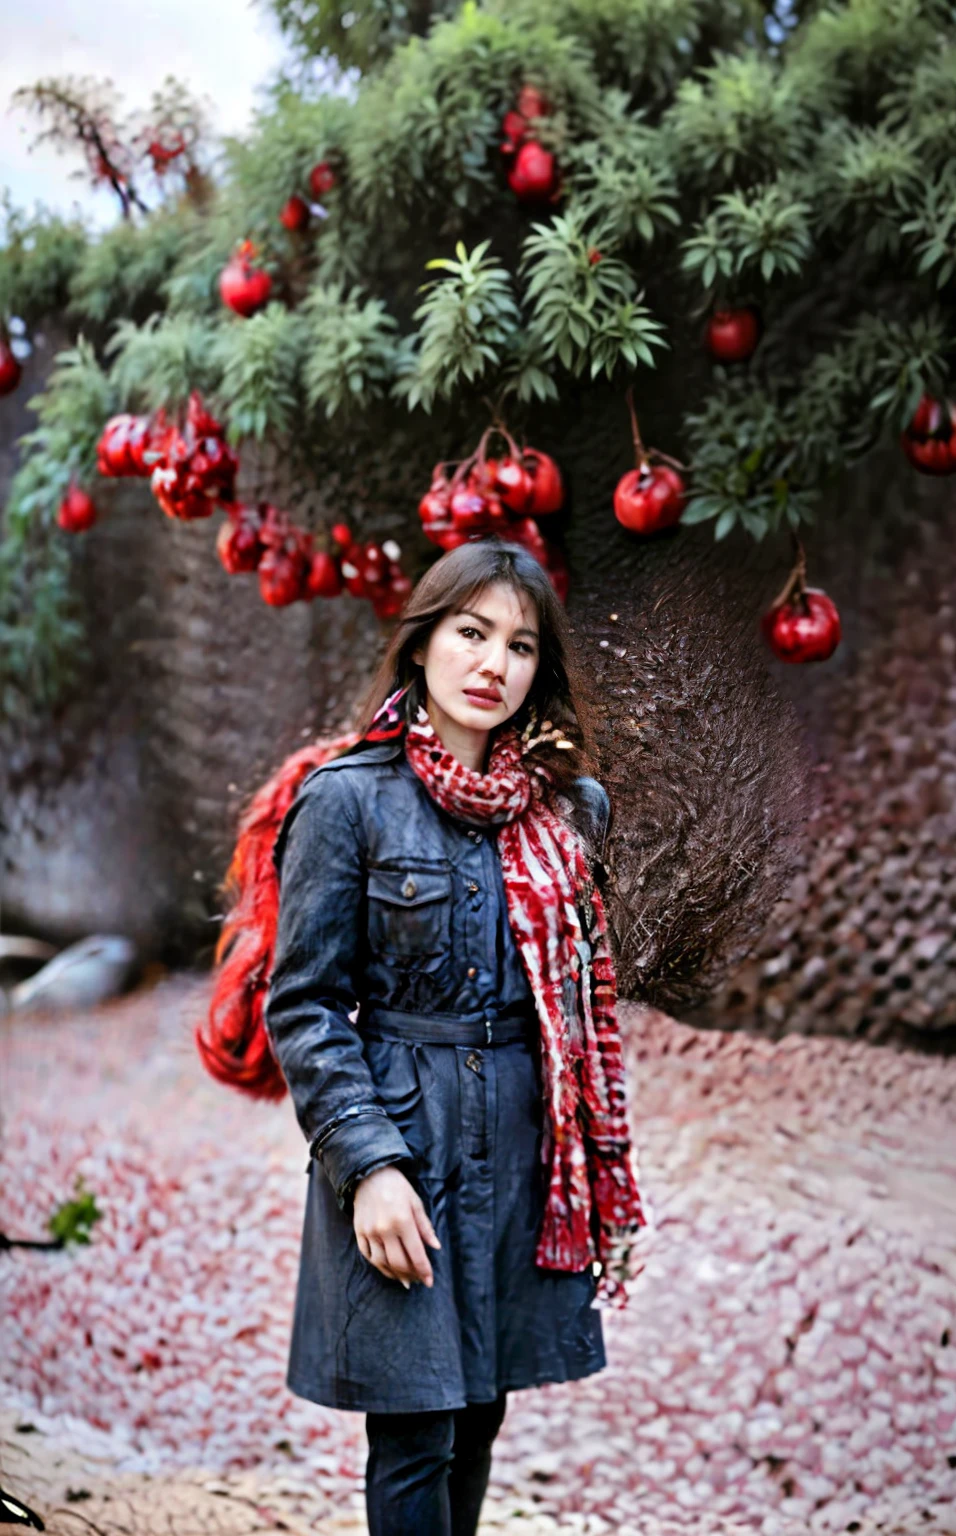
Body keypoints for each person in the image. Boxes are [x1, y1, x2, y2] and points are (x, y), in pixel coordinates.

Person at [203, 537, 648, 1536]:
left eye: (521, 645)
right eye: (470, 632)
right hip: (404, 1136)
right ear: (421, 645)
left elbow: (572, 990)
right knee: (416, 1428)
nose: (493, 663)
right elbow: (305, 1005)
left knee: (478, 1404)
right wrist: (368, 1167)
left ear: (542, 670)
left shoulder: (572, 809)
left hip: (523, 1142)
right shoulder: (347, 802)